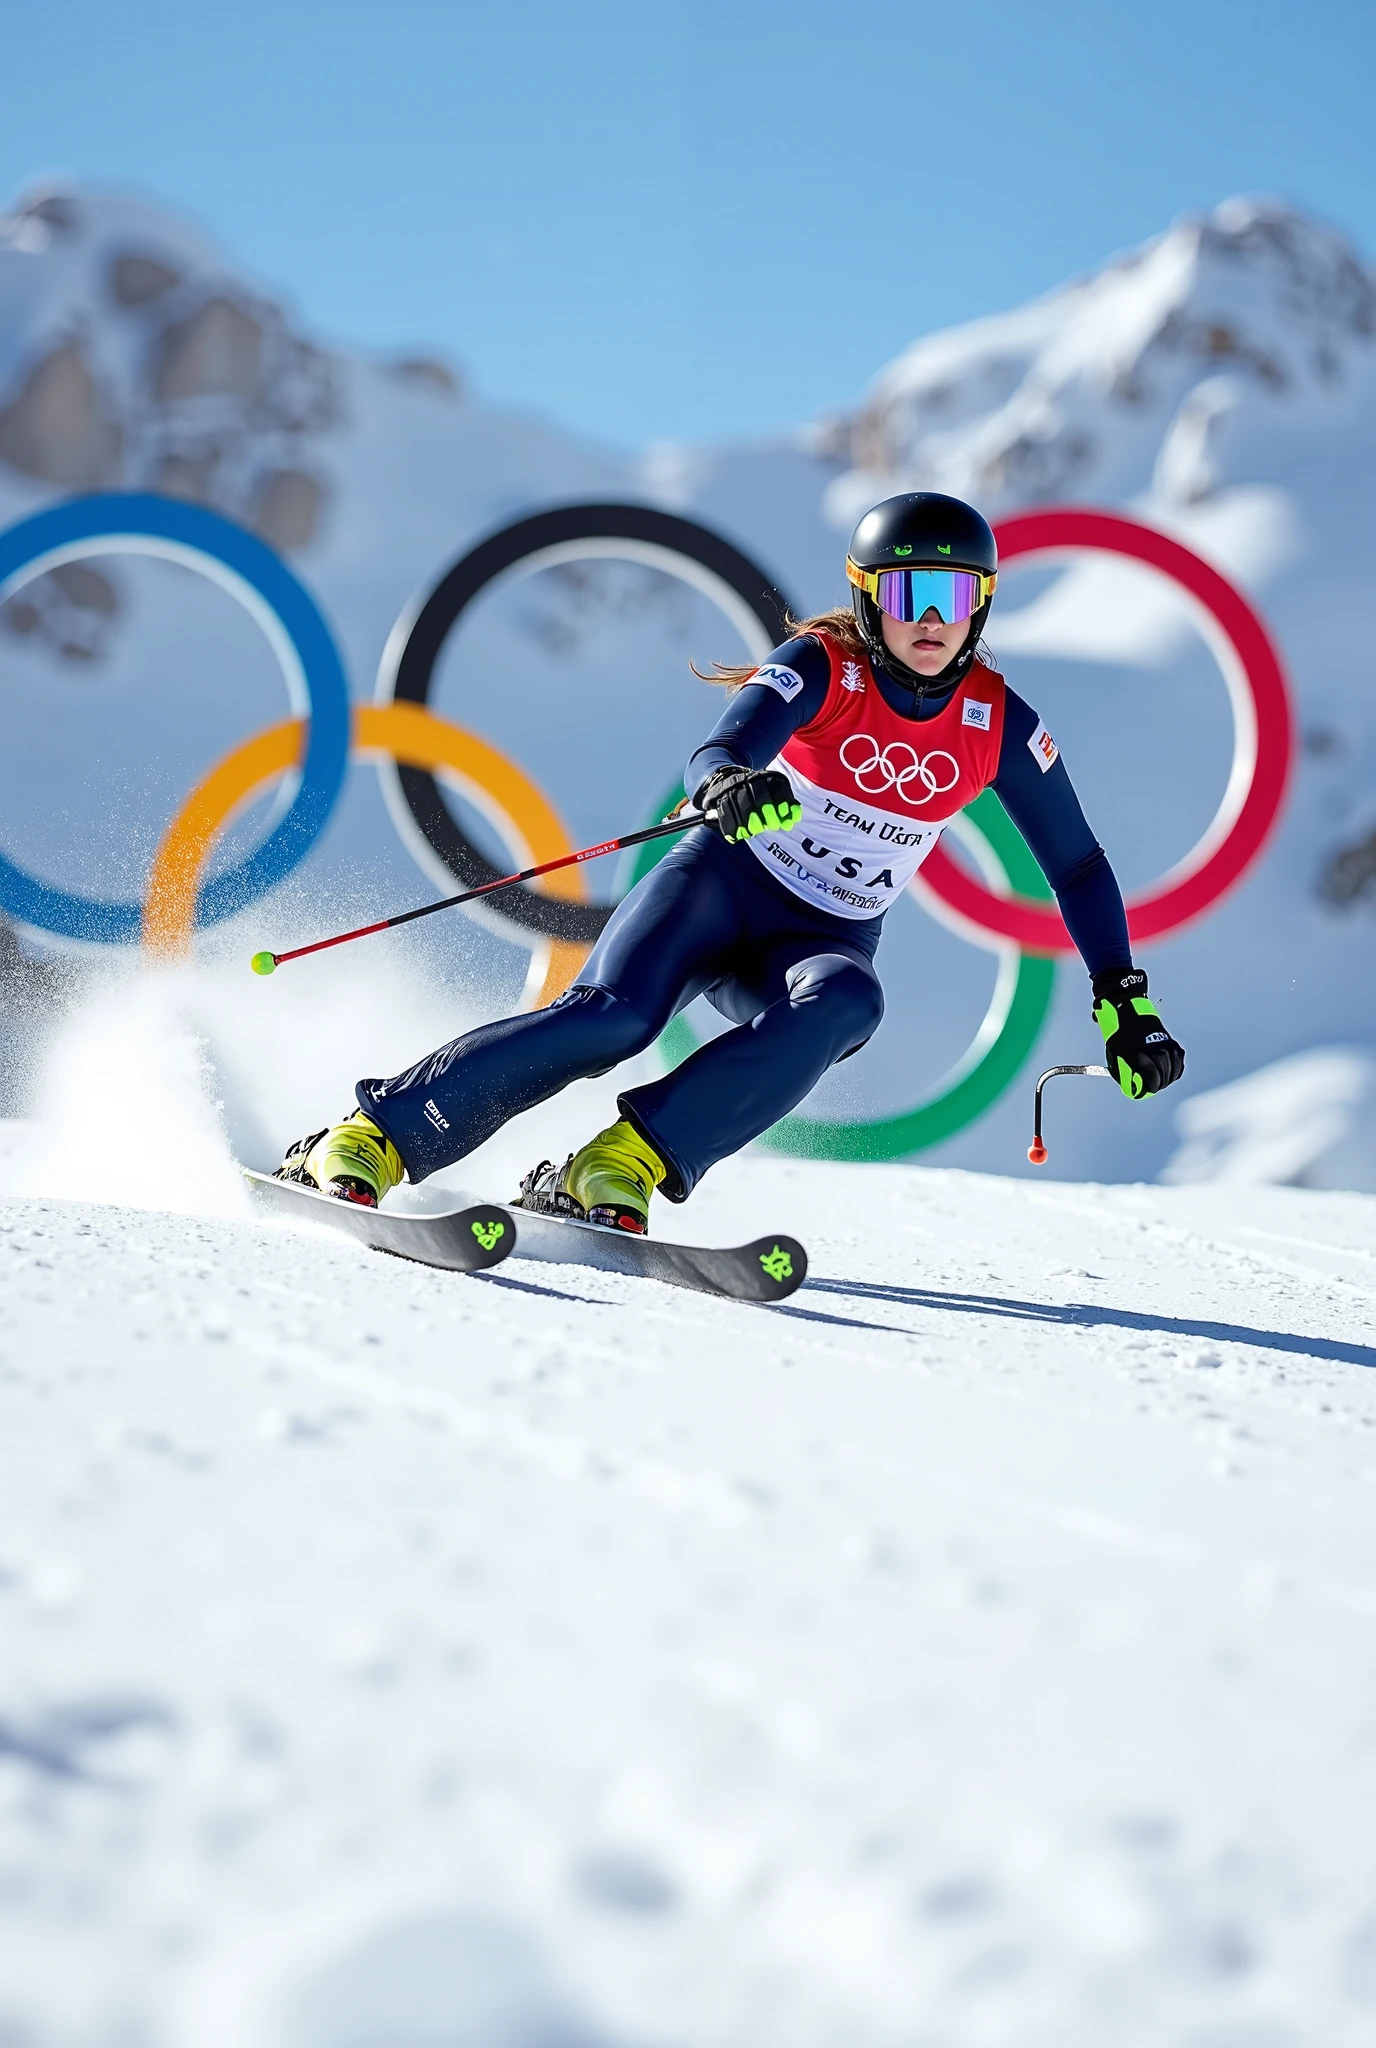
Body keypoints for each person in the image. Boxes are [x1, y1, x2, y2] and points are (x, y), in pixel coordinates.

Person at [274, 493, 1184, 1228]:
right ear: (869, 597)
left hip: (819, 935)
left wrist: (1122, 998)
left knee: (848, 1002)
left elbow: (1078, 867)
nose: (932, 622)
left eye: (955, 598)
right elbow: (719, 751)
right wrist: (730, 787)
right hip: (716, 889)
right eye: (910, 596)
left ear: (982, 605)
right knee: (612, 1020)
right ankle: (377, 1134)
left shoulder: (999, 724)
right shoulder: (825, 665)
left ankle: (622, 1162)